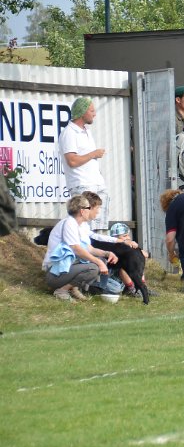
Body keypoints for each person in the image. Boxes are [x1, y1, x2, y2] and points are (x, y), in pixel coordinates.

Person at [42, 194, 115, 301]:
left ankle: (73, 288)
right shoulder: (69, 223)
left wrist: (107, 254)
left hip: (66, 268)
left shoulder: (80, 225)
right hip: (54, 272)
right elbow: (76, 249)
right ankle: (62, 290)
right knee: (93, 268)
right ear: (82, 211)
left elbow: (89, 249)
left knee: (101, 261)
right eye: (89, 208)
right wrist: (98, 262)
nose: (92, 210)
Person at [59, 97, 108, 231]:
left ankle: (97, 245)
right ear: (82, 112)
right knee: (85, 229)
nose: (94, 114)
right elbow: (72, 161)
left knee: (99, 228)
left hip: (97, 184)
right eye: (91, 111)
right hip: (82, 185)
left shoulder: (87, 131)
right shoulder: (69, 133)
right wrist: (94, 154)